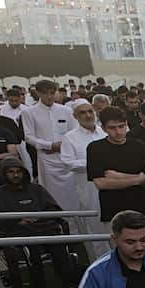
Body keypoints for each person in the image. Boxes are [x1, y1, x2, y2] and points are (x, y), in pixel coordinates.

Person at [0, 157, 78, 288]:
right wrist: (16, 222)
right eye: (11, 172)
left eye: (18, 171)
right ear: (4, 174)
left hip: (47, 230)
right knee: (32, 253)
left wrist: (39, 217)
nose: (15, 175)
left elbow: (54, 209)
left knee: (60, 249)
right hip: (21, 235)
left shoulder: (37, 190)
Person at [87, 107, 145, 224]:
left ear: (126, 125)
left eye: (121, 126)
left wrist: (119, 176)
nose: (118, 132)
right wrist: (137, 179)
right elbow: (101, 183)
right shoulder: (95, 148)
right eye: (112, 128)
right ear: (103, 128)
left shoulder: (139, 146)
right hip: (113, 212)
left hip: (142, 209)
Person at [61, 97, 109, 250]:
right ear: (75, 116)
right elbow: (69, 163)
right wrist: (94, 164)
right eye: (83, 113)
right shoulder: (70, 137)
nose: (88, 115)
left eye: (90, 111)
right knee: (95, 226)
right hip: (88, 188)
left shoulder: (104, 132)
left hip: (111, 185)